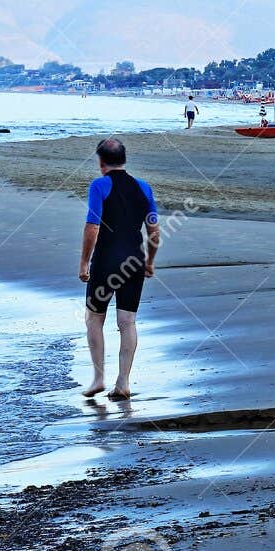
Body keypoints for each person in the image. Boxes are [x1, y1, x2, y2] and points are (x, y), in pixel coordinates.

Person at [80, 137, 159, 400]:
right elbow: (154, 229)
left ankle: (98, 378)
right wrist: (149, 260)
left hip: (105, 261)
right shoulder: (143, 188)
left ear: (101, 162)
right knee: (127, 322)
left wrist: (84, 262)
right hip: (133, 261)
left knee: (94, 318)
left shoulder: (99, 186)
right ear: (124, 159)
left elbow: (93, 227)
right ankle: (123, 382)